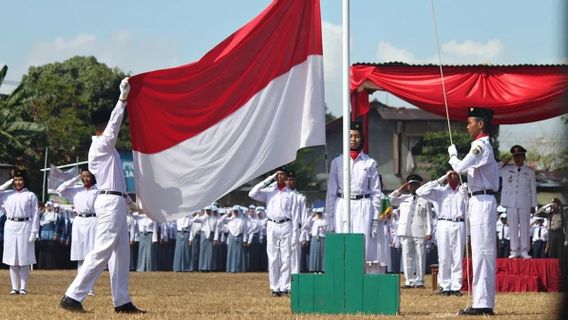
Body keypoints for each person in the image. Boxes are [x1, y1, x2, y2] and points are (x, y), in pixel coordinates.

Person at [60, 77, 144, 313]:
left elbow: (115, 182)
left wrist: (130, 203)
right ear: (104, 125)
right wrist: (122, 100)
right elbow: (115, 127)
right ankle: (72, 296)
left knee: (121, 254)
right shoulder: (101, 145)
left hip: (115, 199)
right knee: (102, 250)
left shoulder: (108, 149)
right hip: (108, 201)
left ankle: (122, 300)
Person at [448, 106, 499, 316]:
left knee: (483, 252)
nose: (467, 125)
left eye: (470, 122)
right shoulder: (479, 145)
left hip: (484, 200)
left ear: (481, 124)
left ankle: (484, 303)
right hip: (477, 198)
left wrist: (452, 155)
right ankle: (480, 300)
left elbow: (460, 167)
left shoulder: (480, 146)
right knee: (478, 251)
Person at [325, 121, 387, 271]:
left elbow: (376, 192)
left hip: (362, 205)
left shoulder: (370, 163)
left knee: (363, 245)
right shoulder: (337, 162)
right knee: (342, 244)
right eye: (350, 136)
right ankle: (343, 278)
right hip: (342, 203)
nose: (353, 139)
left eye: (357, 136)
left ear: (362, 139)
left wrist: (374, 219)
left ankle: (361, 279)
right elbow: (331, 193)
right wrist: (330, 219)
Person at [249, 167, 300, 297]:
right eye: (278, 174)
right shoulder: (268, 191)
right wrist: (270, 178)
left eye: (282, 175)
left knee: (286, 258)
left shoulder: (291, 194)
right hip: (272, 224)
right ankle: (274, 287)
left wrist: (295, 235)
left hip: (286, 225)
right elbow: (252, 193)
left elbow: (295, 216)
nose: (280, 177)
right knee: (273, 258)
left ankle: (285, 286)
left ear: (286, 177)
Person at [416, 170, 467, 296]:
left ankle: (456, 286)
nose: (453, 176)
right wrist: (442, 178)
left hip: (459, 222)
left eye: (455, 174)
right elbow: (420, 191)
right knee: (444, 256)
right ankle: (445, 286)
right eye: (451, 174)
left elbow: (469, 212)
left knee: (457, 256)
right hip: (443, 223)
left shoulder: (464, 191)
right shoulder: (440, 191)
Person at [56, 169, 98, 288]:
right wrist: (74, 179)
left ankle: (89, 286)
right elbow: (60, 190)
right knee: (80, 254)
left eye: (88, 176)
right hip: (79, 221)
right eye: (83, 176)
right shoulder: (76, 190)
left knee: (90, 254)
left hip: (93, 220)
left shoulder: (97, 190)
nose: (85, 179)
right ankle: (80, 285)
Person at [389, 174, 433, 289]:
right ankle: (409, 280)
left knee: (420, 256)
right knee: (407, 255)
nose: (413, 187)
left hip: (419, 230)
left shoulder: (425, 200)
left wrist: (429, 231)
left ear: (419, 185)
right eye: (411, 185)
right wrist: (400, 189)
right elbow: (389, 200)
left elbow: (428, 216)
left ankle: (420, 280)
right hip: (405, 231)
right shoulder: (403, 198)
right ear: (408, 186)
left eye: (416, 185)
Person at [0, 170, 39, 295]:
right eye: (16, 180)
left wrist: (34, 232)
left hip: (25, 225)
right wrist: (10, 181)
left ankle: (23, 287)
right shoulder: (6, 195)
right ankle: (14, 287)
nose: (18, 182)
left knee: (23, 257)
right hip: (10, 225)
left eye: (20, 180)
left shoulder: (31, 195)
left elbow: (35, 214)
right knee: (12, 258)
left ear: (25, 180)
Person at [499, 145, 537, 259]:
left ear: (524, 157)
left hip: (525, 201)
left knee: (525, 226)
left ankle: (525, 250)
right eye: (515, 156)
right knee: (513, 226)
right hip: (511, 202)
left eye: (520, 156)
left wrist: (534, 205)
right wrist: (504, 161)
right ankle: (514, 250)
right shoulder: (506, 169)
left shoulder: (529, 172)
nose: (517, 159)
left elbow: (533, 189)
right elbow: (494, 170)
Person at [219, 205, 248, 272]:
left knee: (239, 253)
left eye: (236, 211)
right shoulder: (230, 219)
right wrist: (227, 214)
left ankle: (239, 268)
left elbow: (245, 231)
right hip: (231, 238)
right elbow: (221, 220)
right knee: (231, 253)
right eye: (234, 211)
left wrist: (244, 240)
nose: (235, 213)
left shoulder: (243, 220)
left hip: (240, 237)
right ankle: (231, 268)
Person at [307, 207, 327, 273]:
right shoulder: (314, 220)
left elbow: (324, 227)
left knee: (321, 254)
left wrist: (319, 224)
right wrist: (312, 216)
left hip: (321, 237)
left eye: (320, 213)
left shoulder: (324, 220)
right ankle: (314, 269)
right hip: (314, 237)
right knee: (314, 253)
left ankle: (321, 269)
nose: (319, 215)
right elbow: (307, 224)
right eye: (318, 213)